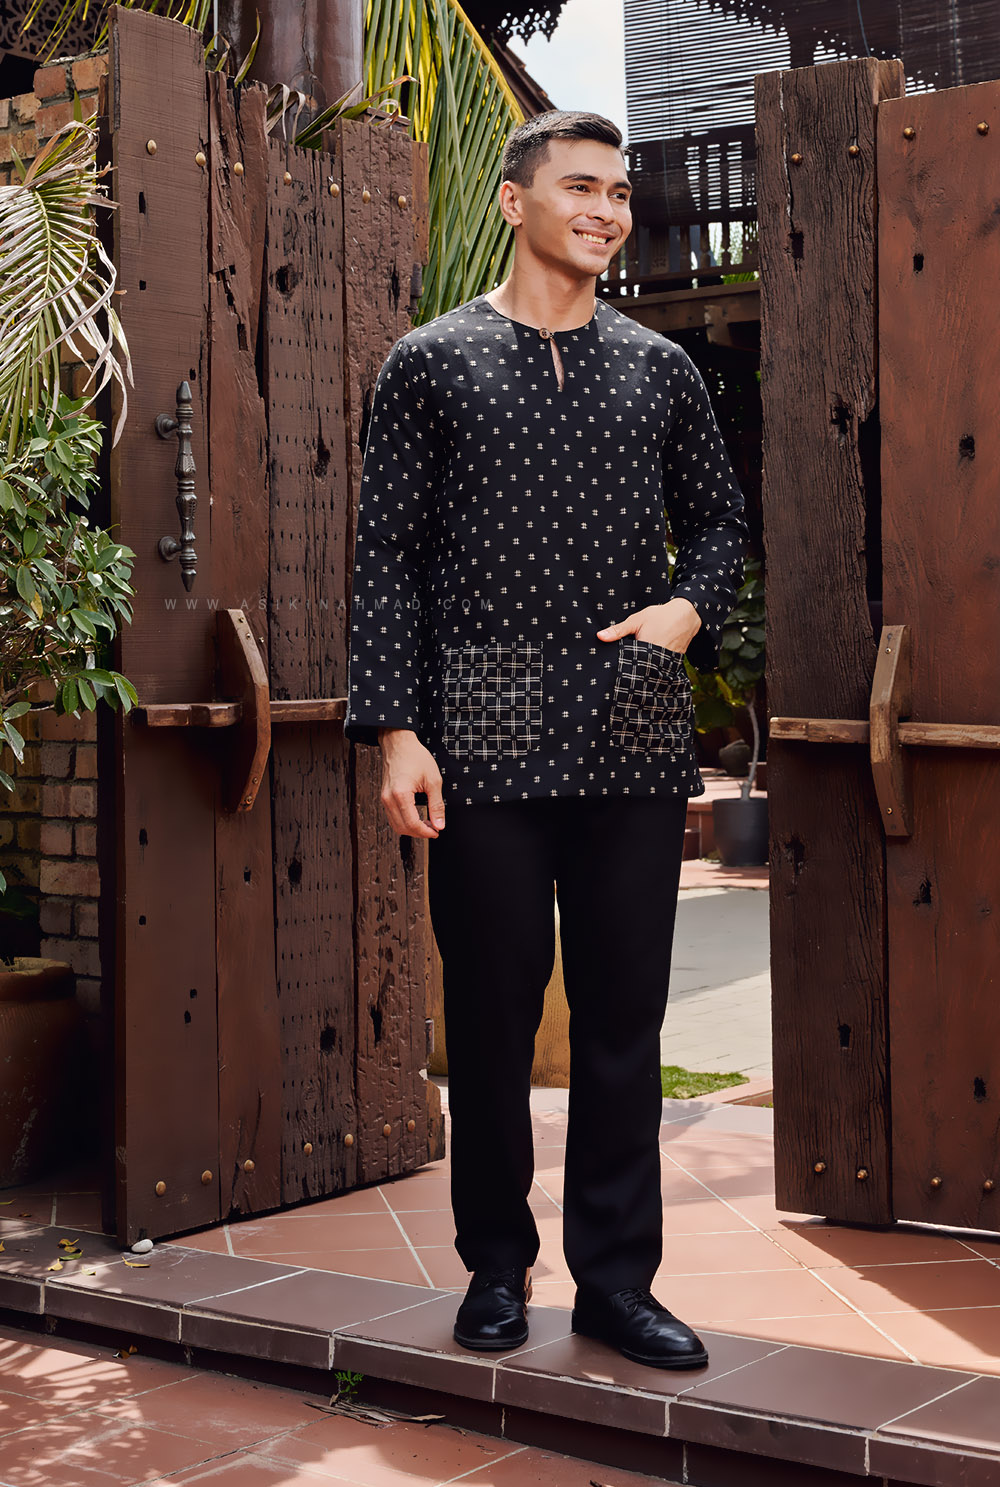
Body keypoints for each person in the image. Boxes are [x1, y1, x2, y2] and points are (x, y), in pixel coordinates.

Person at [344, 110, 748, 1370]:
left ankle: (618, 1286)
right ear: (515, 202)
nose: (607, 211)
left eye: (618, 193)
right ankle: (495, 1268)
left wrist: (684, 612)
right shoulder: (429, 363)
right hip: (486, 710)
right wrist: (396, 730)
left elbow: (721, 525)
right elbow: (385, 560)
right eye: (581, 187)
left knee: (625, 1017)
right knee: (491, 1014)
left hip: (632, 707)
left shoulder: (659, 369)